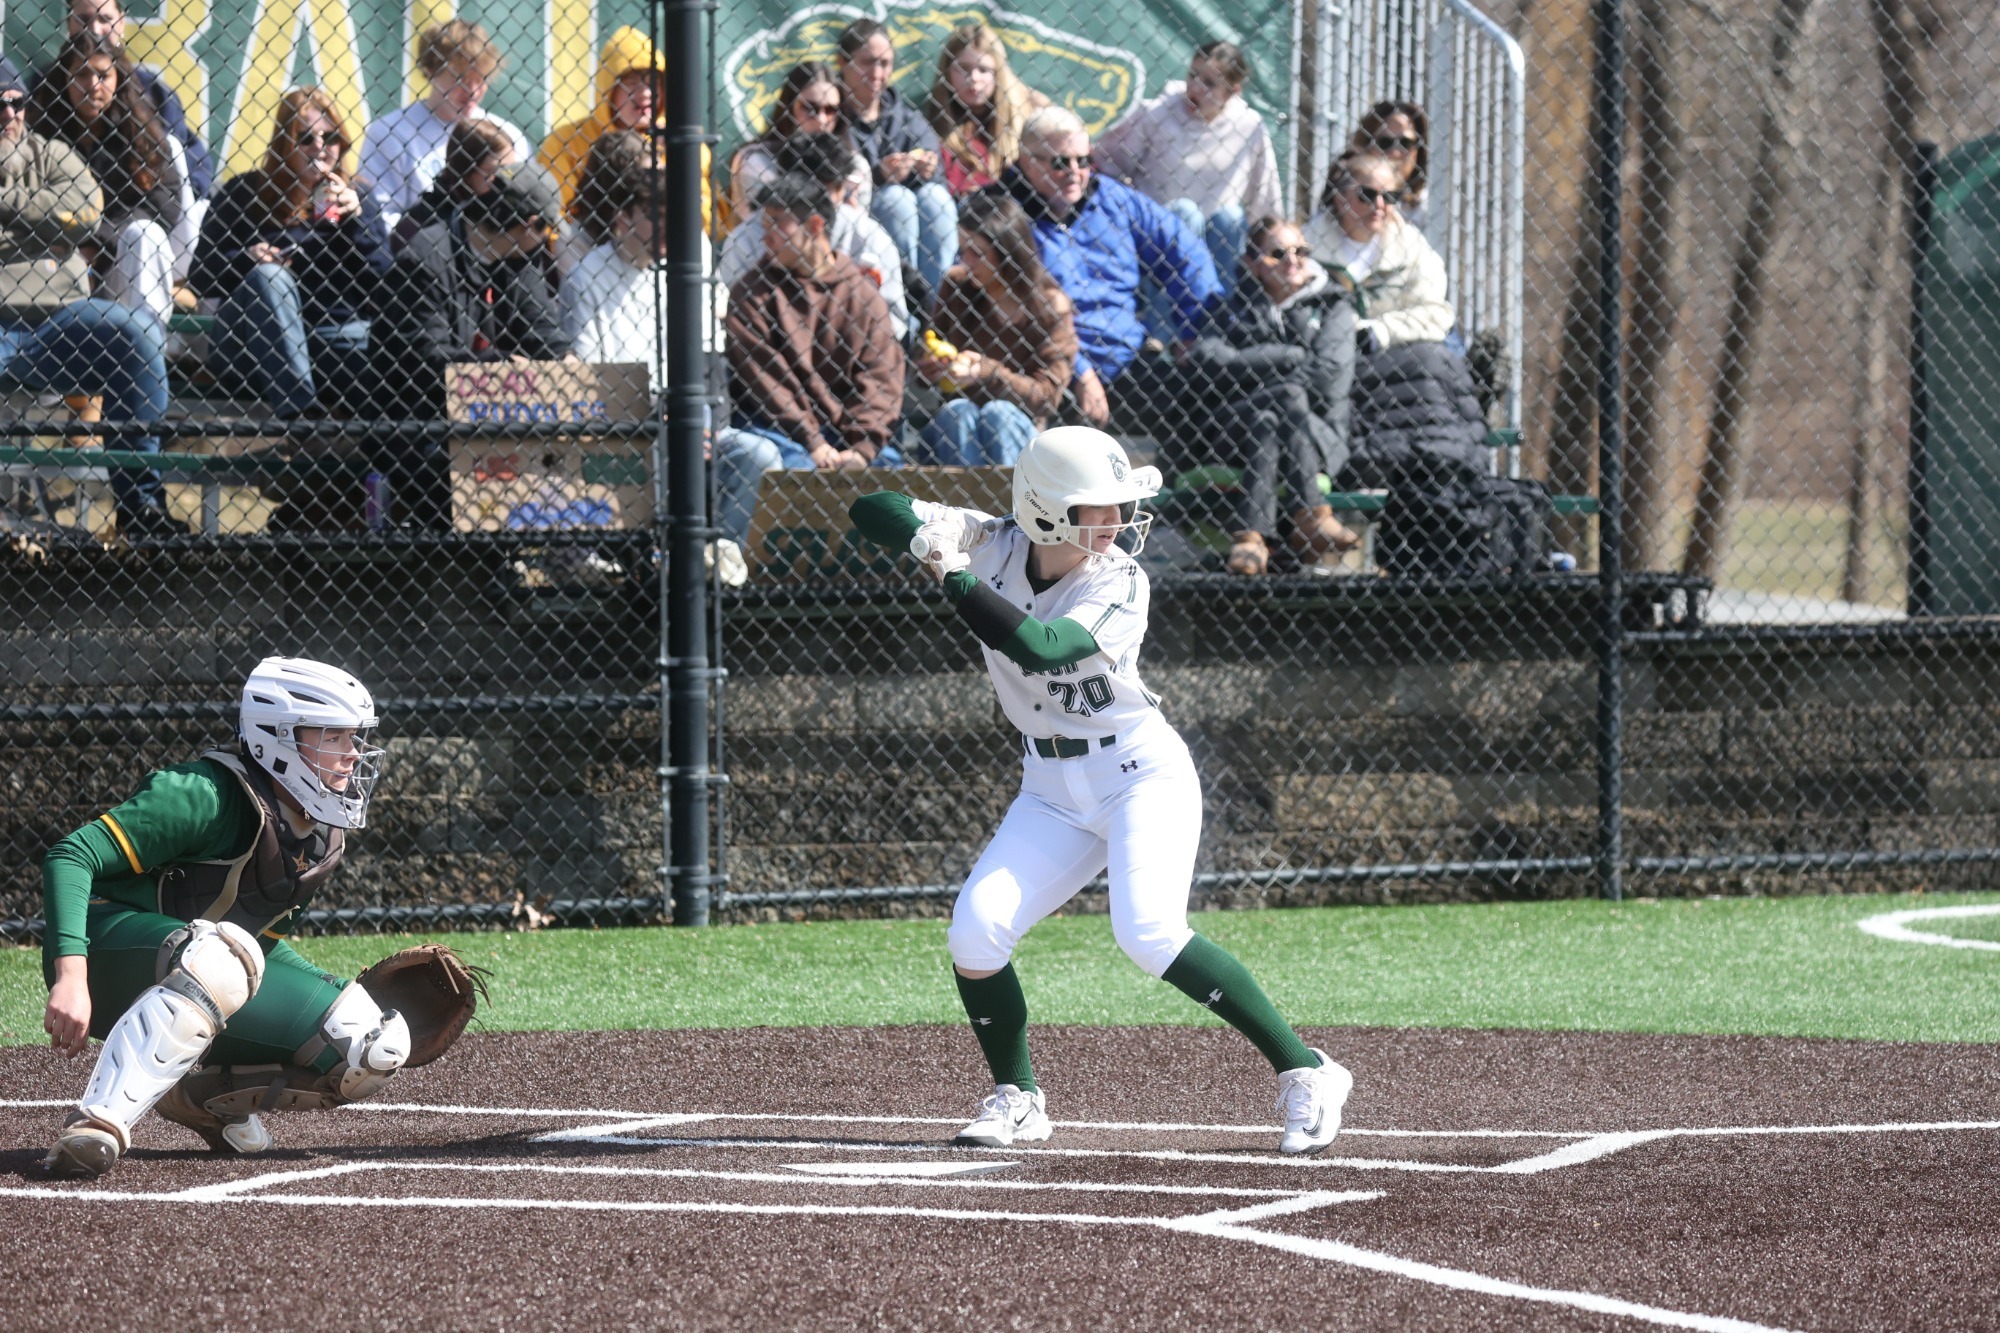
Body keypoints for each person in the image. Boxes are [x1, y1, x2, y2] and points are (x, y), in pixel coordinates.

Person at [846, 428, 1354, 1153]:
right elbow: (873, 507)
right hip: (1049, 785)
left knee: (1149, 934)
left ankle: (1308, 1070)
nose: (1116, 520)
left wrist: (951, 575)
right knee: (975, 932)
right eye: (1097, 507)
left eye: (1119, 505)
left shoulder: (1119, 578)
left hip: (1140, 773)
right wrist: (929, 536)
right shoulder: (991, 541)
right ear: (1045, 509)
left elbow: (1041, 648)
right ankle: (1018, 1098)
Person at [37, 657, 474, 1178]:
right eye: (334, 736)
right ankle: (96, 1125)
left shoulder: (319, 833)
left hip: (198, 965)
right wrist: (71, 975)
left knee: (371, 1044)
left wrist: (335, 997)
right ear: (279, 738)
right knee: (219, 959)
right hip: (102, 952)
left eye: (354, 737)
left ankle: (196, 1098)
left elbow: (259, 944)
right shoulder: (204, 793)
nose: (353, 753)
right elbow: (71, 856)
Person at [0, 56, 172, 534]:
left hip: (61, 322)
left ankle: (142, 509)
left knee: (137, 335)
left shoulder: (52, 154)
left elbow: (84, 213)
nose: (10, 114)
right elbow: (60, 216)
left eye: (17, 103)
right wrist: (42, 225)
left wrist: (7, 205)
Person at [985, 105, 1220, 435]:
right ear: (1027, 161)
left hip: (1127, 360)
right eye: (1060, 162)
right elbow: (1016, 303)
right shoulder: (999, 213)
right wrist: (1080, 371)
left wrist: (1193, 333)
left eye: (1083, 161)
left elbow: (1186, 254)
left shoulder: (1113, 199)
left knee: (1210, 401)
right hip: (1047, 369)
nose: (1074, 172)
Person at [711, 172, 905, 547]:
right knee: (798, 475)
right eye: (764, 224)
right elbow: (768, 382)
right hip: (779, 432)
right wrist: (813, 442)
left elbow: (882, 377)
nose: (764, 236)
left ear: (815, 225)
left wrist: (861, 449)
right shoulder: (752, 294)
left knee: (897, 480)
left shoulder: (862, 296)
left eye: (775, 225)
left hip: (851, 437)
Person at [190, 88, 390, 419]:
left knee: (390, 357)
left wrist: (357, 222)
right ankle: (301, 418)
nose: (320, 148)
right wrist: (247, 259)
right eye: (306, 138)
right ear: (284, 143)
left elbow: (385, 286)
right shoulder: (245, 193)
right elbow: (200, 276)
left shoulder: (359, 198)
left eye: (331, 137)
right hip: (251, 343)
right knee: (270, 277)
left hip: (333, 337)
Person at [1188, 216, 1360, 575]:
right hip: (1233, 434)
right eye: (1278, 253)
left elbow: (1328, 380)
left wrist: (1251, 372)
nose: (1292, 261)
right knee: (1287, 396)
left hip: (1316, 433)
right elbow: (1208, 361)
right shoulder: (1230, 308)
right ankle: (1311, 517)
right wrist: (1288, 356)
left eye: (1301, 251)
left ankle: (1251, 539)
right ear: (1252, 263)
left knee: (1269, 417)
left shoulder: (1334, 306)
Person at [1093, 40, 1279, 301]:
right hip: (1158, 234)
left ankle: (1219, 310)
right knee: (1185, 212)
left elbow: (1264, 196)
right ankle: (1165, 321)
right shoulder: (1157, 112)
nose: (1195, 87)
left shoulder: (1250, 126)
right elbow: (1108, 162)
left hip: (1215, 243)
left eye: (1209, 84)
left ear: (1232, 92)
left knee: (1232, 217)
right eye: (1193, 75)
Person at [28, 31, 180, 329]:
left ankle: (145, 345)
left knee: (146, 234)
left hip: (119, 261)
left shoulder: (142, 135)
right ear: (64, 80)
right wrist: (74, 248)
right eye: (81, 74)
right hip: (54, 259)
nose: (93, 85)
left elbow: (164, 206)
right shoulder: (40, 136)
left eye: (102, 75)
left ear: (118, 79)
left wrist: (98, 244)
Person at [916, 190, 1076, 467]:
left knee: (999, 414)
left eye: (978, 253)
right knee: (957, 412)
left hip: (1019, 428)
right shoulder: (956, 287)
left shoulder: (1050, 305)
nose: (966, 262)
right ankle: (967, 496)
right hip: (959, 427)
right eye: (962, 251)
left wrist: (986, 372)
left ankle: (1008, 494)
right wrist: (932, 366)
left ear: (1008, 252)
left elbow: (1047, 397)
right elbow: (925, 361)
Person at [717, 131, 907, 341]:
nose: (818, 204)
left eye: (825, 193)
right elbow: (736, 321)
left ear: (840, 190)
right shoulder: (746, 239)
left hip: (853, 348)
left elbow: (894, 322)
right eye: (807, 192)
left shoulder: (867, 234)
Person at [538, 24, 712, 237]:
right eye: (631, 83)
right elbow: (552, 222)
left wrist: (678, 160)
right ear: (607, 89)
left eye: (653, 82)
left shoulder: (680, 142)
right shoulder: (566, 141)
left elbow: (709, 221)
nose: (645, 93)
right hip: (587, 248)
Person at [358, 20, 530, 231]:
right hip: (418, 247)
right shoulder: (389, 133)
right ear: (431, 70)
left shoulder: (508, 137)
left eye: (481, 79)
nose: (473, 91)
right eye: (460, 78)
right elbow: (379, 218)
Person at [36, 0, 214, 202]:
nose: (95, 29)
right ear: (69, 24)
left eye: (105, 19)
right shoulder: (43, 87)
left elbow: (192, 168)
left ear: (121, 24)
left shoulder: (156, 94)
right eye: (83, 19)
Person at [836, 18, 956, 293]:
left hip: (912, 213)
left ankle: (939, 305)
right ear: (843, 62)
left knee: (936, 198)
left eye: (885, 63)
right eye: (868, 62)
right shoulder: (832, 114)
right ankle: (907, 300)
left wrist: (926, 168)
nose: (877, 73)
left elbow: (937, 173)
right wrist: (879, 176)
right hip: (859, 217)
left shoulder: (904, 115)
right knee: (895, 200)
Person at [1303, 153, 1453, 351]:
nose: (1380, 205)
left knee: (1436, 358)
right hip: (1322, 350)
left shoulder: (1413, 247)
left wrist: (1378, 331)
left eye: (1390, 197)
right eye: (1367, 194)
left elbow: (1435, 313)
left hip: (1391, 351)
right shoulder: (1305, 246)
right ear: (1340, 197)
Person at [725, 61, 871, 226]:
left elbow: (857, 231)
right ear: (789, 107)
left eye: (831, 110)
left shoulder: (856, 166)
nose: (821, 119)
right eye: (810, 108)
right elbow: (761, 229)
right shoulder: (757, 162)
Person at [923, 21, 1048, 198]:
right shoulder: (931, 125)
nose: (974, 78)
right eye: (963, 68)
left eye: (983, 70)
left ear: (998, 73)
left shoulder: (1029, 114)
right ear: (947, 71)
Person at [391, 116, 514, 254]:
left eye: (513, 170)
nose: (508, 180)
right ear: (468, 171)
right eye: (498, 171)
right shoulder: (420, 225)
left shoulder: (509, 218)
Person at [1347, 101, 1429, 230]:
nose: (1395, 153)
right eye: (1385, 143)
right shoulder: (1347, 197)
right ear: (1366, 146)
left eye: (1405, 143)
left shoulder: (1428, 203)